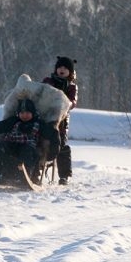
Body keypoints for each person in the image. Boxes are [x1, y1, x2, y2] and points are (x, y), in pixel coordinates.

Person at [0, 98, 60, 184]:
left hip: (29, 148)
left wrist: (52, 153)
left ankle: (27, 176)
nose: (24, 115)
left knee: (27, 152)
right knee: (1, 147)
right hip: (12, 145)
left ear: (32, 113)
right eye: (22, 113)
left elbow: (53, 135)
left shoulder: (39, 124)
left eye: (27, 113)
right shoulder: (13, 121)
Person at [42, 56, 78, 185]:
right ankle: (34, 170)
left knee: (61, 145)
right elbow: (41, 92)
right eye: (60, 67)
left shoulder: (71, 86)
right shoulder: (48, 81)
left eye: (65, 68)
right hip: (45, 116)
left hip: (61, 120)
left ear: (70, 71)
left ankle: (64, 175)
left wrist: (67, 103)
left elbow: (72, 102)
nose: (62, 70)